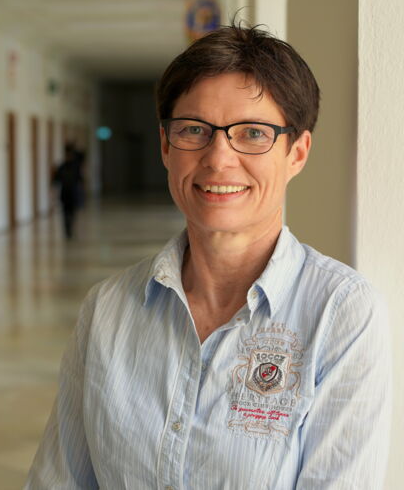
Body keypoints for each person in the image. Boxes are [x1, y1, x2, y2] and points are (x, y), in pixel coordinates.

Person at [25, 24, 391, 489]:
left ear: (297, 153)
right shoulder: (107, 310)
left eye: (253, 133)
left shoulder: (341, 314)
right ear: (166, 146)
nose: (218, 158)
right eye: (194, 130)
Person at [52, 144, 83, 239]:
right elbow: (56, 180)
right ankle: (67, 229)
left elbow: (80, 180)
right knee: (66, 213)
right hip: (66, 193)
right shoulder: (63, 167)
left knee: (71, 213)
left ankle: (69, 228)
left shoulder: (74, 166)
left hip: (72, 193)